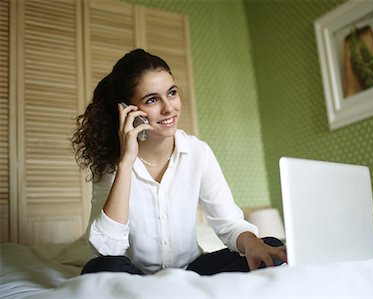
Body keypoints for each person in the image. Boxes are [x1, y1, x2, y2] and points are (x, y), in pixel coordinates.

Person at [72, 48, 286, 276]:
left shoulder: (198, 152)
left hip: (191, 270)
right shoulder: (111, 162)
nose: (169, 108)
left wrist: (251, 242)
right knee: (99, 268)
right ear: (126, 110)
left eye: (171, 93)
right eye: (152, 99)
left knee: (269, 244)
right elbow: (107, 249)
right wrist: (125, 163)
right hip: (135, 275)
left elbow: (229, 222)